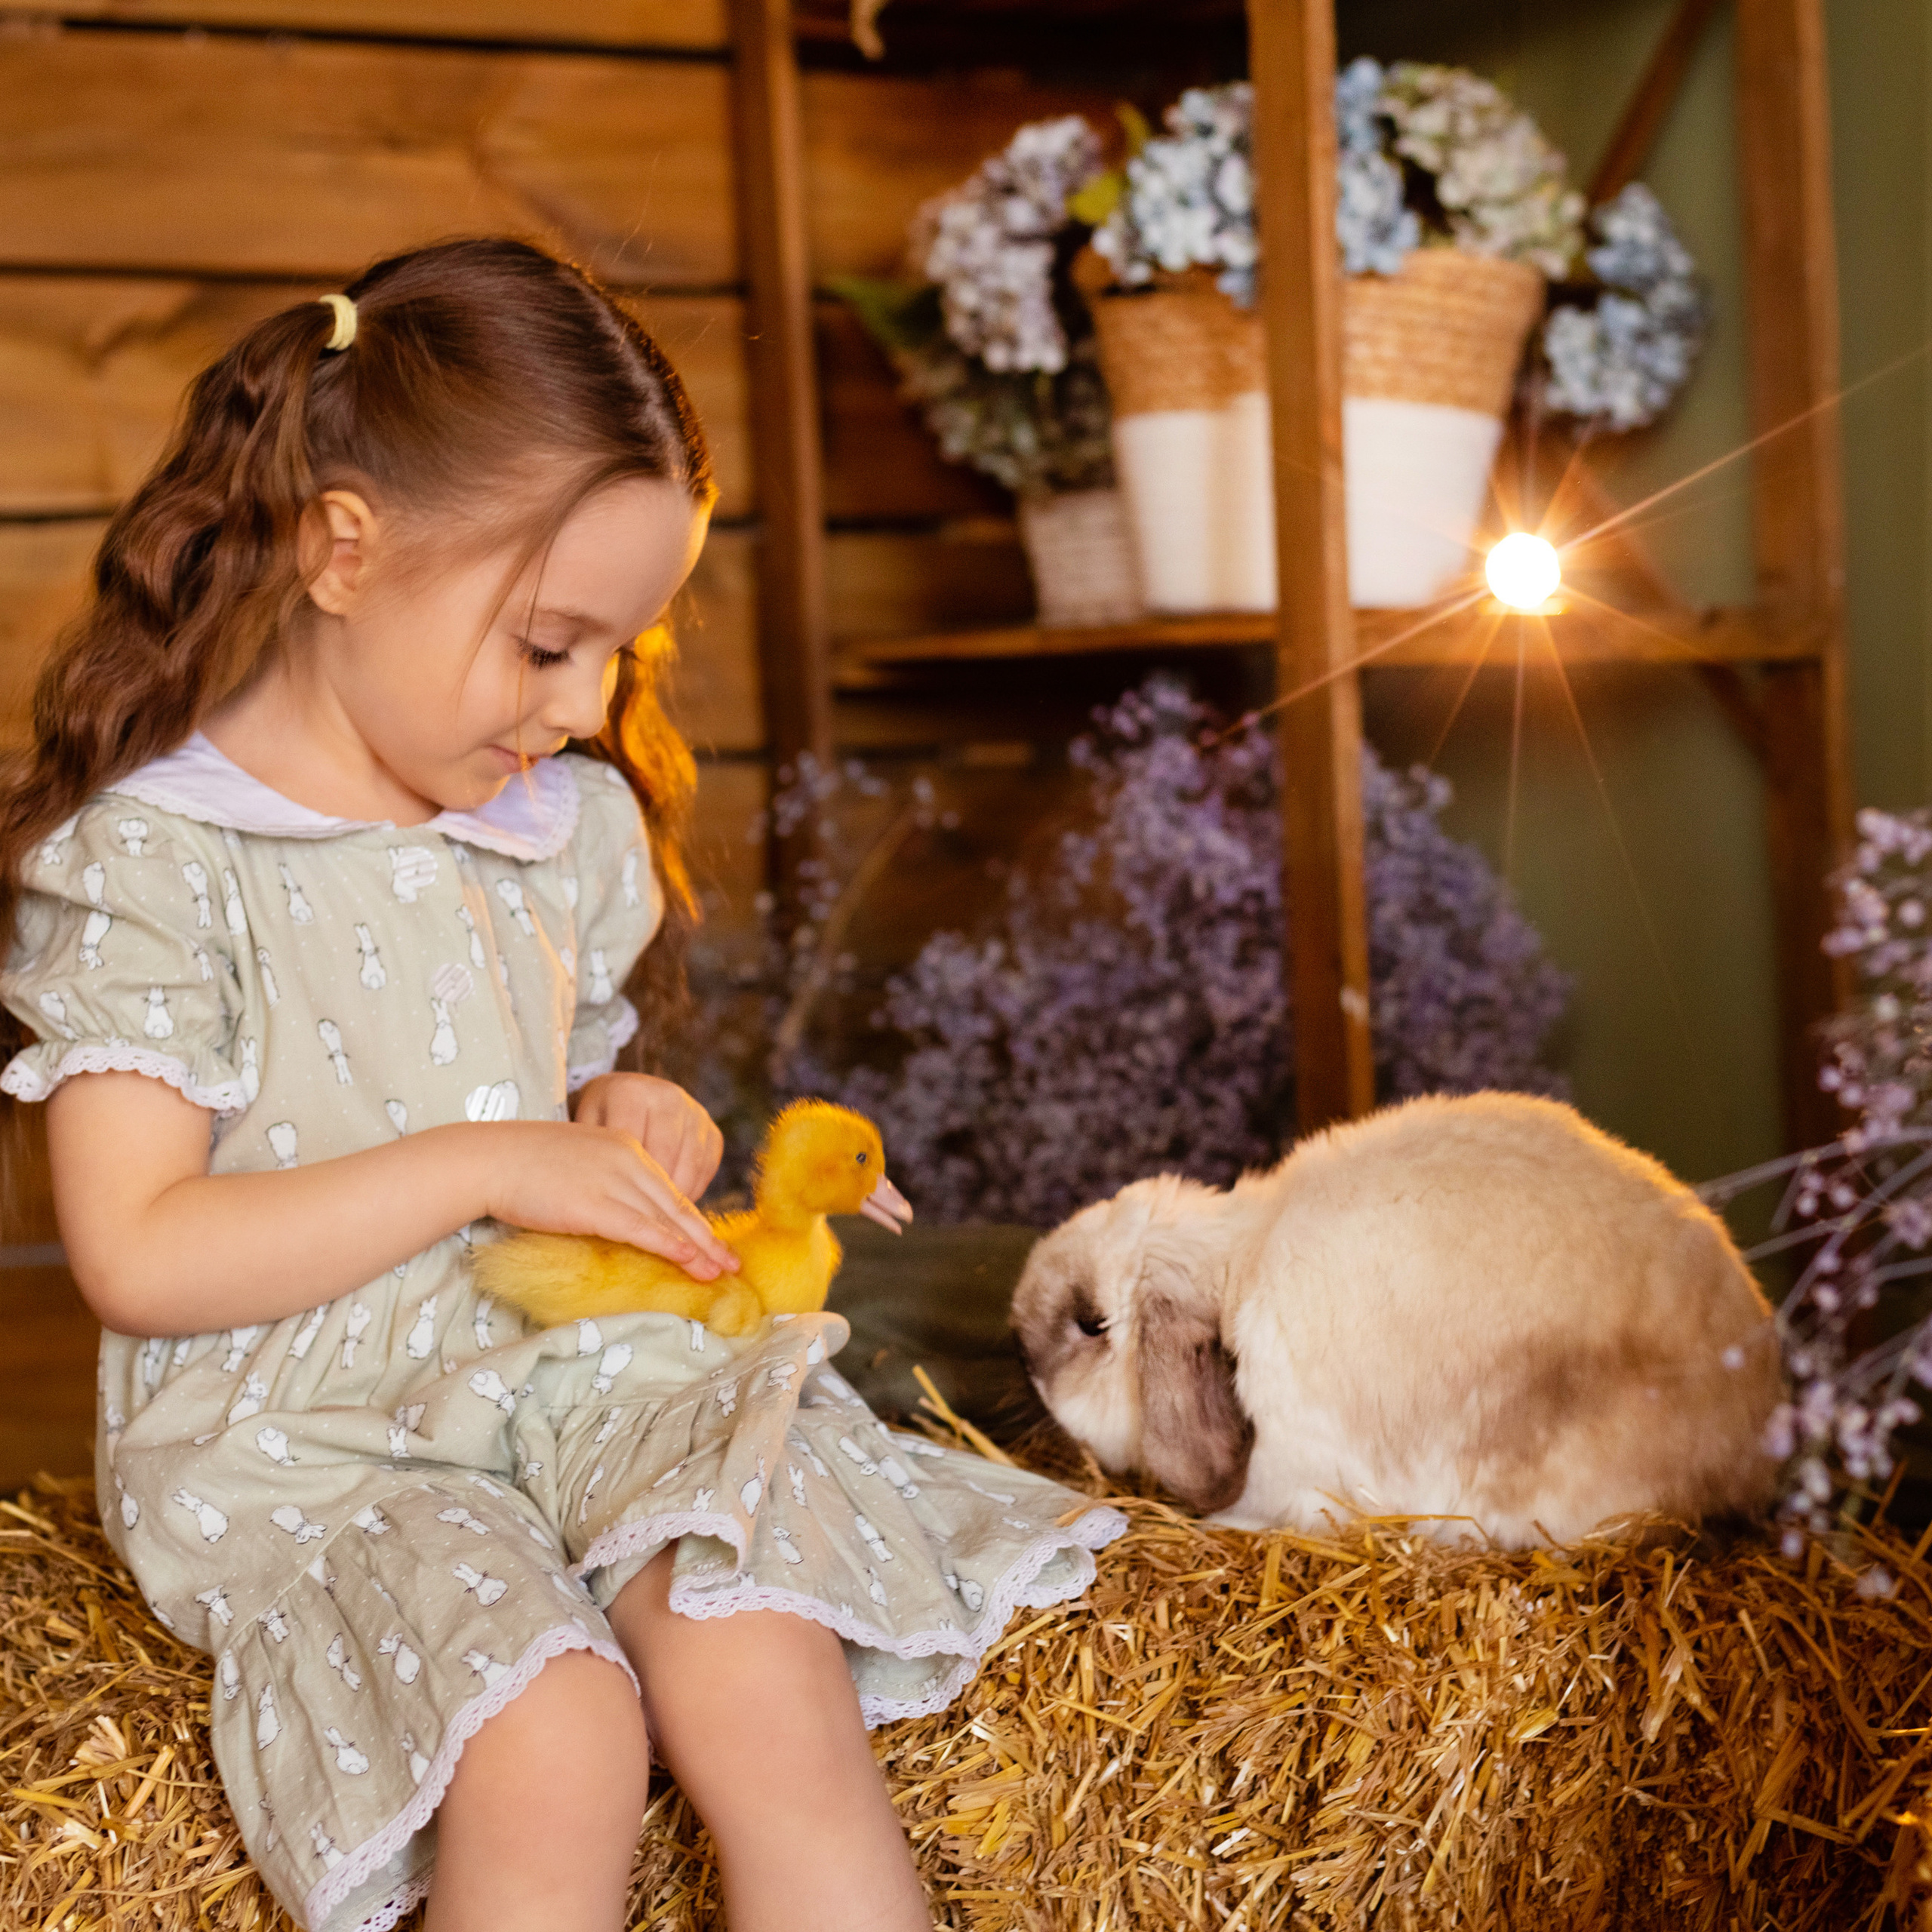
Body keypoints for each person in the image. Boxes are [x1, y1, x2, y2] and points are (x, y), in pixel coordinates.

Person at [0, 238, 1125, 1932]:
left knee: (754, 1634)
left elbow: (564, 1089)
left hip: (549, 1373)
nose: (587, 702)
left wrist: (618, 1121)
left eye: (618, 647)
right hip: (310, 1443)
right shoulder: (160, 860)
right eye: (545, 642)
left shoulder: (554, 827)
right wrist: (488, 1161)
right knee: (555, 1730)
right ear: (340, 548)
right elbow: (141, 1250)